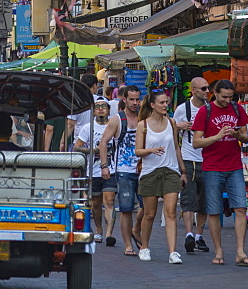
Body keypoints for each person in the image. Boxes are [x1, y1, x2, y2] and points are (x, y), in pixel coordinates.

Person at [192, 78, 248, 267]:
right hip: (212, 167)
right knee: (213, 210)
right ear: (215, 93)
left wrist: (236, 135)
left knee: (241, 208)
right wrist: (217, 136)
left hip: (234, 165)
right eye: (224, 97)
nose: (227, 100)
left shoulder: (237, 109)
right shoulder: (205, 111)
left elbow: (246, 137)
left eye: (231, 97)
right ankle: (218, 250)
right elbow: (196, 142)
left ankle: (240, 251)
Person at [134, 90, 185, 263]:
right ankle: (144, 246)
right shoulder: (143, 125)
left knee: (170, 211)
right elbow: (137, 151)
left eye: (166, 102)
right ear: (152, 105)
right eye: (162, 103)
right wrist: (150, 150)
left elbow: (177, 148)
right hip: (150, 172)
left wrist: (183, 171)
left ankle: (173, 252)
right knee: (149, 214)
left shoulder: (171, 122)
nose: (165, 106)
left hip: (170, 170)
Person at [99, 85, 144, 257]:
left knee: (147, 207)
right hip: (123, 170)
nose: (135, 103)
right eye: (131, 99)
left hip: (143, 169)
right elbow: (104, 142)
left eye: (137, 99)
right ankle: (128, 245)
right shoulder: (118, 119)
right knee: (126, 209)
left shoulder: (143, 118)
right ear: (124, 99)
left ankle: (136, 229)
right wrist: (105, 166)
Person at [174, 76, 211, 254]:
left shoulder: (211, 109)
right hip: (189, 158)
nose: (207, 92)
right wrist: (179, 126)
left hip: (208, 159)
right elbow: (172, 132)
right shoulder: (183, 109)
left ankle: (199, 235)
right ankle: (189, 234)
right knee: (188, 198)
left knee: (204, 201)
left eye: (208, 88)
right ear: (194, 90)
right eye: (203, 88)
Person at [74, 98, 111, 243]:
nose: (101, 109)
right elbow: (77, 147)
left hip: (111, 169)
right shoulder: (87, 128)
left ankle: (109, 233)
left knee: (109, 200)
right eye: (97, 107)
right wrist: (92, 150)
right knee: (96, 202)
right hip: (93, 170)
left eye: (103, 106)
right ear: (93, 111)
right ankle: (99, 229)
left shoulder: (113, 126)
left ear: (108, 109)